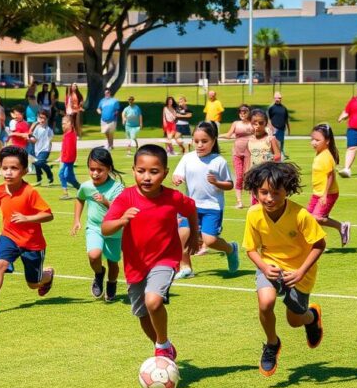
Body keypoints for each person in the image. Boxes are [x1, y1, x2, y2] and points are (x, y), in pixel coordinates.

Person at [103, 144, 199, 361]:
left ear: (165, 173)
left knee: (153, 301)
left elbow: (191, 208)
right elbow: (105, 228)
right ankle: (163, 345)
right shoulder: (126, 198)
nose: (147, 177)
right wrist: (121, 220)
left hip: (165, 259)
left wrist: (194, 233)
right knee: (142, 314)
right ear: (133, 170)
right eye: (141, 171)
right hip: (135, 265)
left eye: (154, 172)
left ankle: (162, 344)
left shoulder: (173, 198)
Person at [242, 161, 326, 377]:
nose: (269, 198)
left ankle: (311, 317)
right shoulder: (253, 214)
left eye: (276, 193)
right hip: (269, 265)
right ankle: (272, 344)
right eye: (263, 192)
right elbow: (250, 249)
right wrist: (263, 266)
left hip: (299, 271)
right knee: (266, 302)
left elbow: (319, 244)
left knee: (295, 321)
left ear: (286, 191)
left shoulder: (300, 215)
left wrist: (300, 272)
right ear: (256, 191)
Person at [0, 146, 55, 317]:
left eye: (14, 168)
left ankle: (48, 275)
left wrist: (27, 218)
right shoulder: (0, 190)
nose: (8, 172)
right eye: (5, 168)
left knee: (33, 283)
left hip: (32, 244)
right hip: (9, 237)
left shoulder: (30, 192)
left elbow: (48, 215)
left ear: (24, 171)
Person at [172, 122, 240, 279]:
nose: (200, 145)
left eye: (204, 141)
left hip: (212, 207)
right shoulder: (188, 158)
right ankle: (186, 267)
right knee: (182, 236)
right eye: (196, 141)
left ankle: (230, 249)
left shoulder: (218, 161)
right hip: (190, 206)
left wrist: (216, 182)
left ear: (213, 141)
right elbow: (177, 175)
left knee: (209, 240)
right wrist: (177, 178)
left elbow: (229, 184)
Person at [72, 147, 125, 301]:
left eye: (99, 170)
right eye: (92, 169)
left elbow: (120, 210)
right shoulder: (87, 186)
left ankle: (112, 282)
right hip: (95, 228)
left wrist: (106, 201)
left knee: (113, 262)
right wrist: (76, 220)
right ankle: (99, 274)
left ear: (108, 169)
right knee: (94, 256)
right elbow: (80, 198)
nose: (95, 173)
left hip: (114, 230)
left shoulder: (117, 188)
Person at [309, 123, 351, 246]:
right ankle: (317, 243)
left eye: (317, 140)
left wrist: (324, 195)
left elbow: (331, 176)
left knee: (317, 217)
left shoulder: (326, 156)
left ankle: (341, 226)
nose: (314, 142)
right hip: (317, 193)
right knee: (308, 218)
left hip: (328, 193)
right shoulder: (319, 154)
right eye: (312, 139)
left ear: (327, 141)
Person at [222, 104, 253, 209]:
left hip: (249, 153)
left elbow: (262, 130)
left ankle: (252, 202)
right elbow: (228, 135)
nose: (242, 114)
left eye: (245, 111)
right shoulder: (236, 123)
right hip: (237, 153)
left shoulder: (252, 123)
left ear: (249, 112)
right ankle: (239, 202)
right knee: (239, 177)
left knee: (248, 176)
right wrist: (215, 135)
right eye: (241, 111)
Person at [56, 116, 81, 199]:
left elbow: (70, 149)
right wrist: (60, 156)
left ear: (70, 124)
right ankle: (79, 188)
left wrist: (64, 159)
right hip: (66, 159)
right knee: (69, 176)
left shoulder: (71, 134)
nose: (62, 125)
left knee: (63, 175)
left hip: (68, 160)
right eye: (62, 124)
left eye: (64, 123)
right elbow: (64, 147)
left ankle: (66, 193)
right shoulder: (66, 134)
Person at [29, 111, 54, 186]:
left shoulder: (49, 130)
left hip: (45, 150)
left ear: (47, 119)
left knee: (38, 162)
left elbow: (50, 141)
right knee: (36, 163)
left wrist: (49, 149)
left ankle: (49, 175)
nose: (42, 120)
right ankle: (39, 180)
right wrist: (30, 138)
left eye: (44, 118)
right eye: (40, 118)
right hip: (37, 150)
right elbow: (34, 139)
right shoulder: (36, 128)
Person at [267, 92, 291, 159]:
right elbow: (268, 118)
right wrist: (271, 128)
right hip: (274, 129)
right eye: (276, 98)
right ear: (274, 98)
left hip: (281, 129)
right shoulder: (271, 108)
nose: (277, 99)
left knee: (280, 144)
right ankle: (272, 156)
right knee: (272, 144)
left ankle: (280, 156)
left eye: (279, 98)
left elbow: (286, 119)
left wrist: (288, 129)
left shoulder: (284, 108)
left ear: (281, 99)